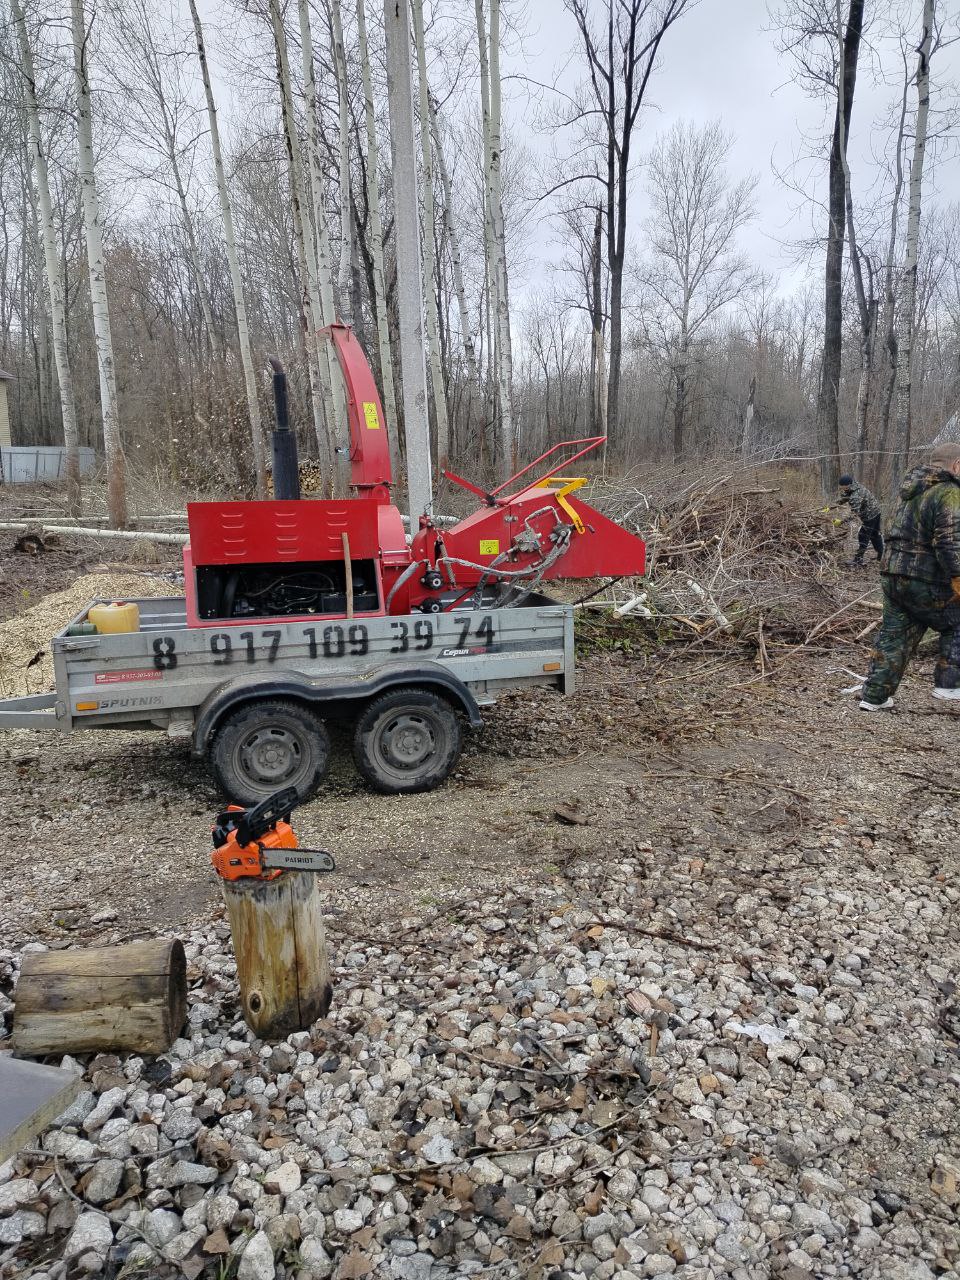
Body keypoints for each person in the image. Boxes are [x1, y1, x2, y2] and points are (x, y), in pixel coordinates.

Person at [858, 443, 960, 711]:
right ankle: (949, 685)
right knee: (956, 622)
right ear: (956, 465)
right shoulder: (949, 492)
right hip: (925, 578)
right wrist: (958, 576)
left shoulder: (908, 492)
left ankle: (874, 697)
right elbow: (949, 541)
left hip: (892, 574)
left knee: (895, 635)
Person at [837, 474, 884, 565]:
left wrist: (841, 522)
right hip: (876, 511)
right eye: (841, 487)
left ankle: (858, 559)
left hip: (870, 515)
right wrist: (830, 507)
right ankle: (881, 555)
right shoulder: (854, 486)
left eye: (844, 487)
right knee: (875, 534)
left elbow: (854, 514)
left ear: (848, 485)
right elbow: (844, 497)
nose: (843, 489)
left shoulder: (856, 495)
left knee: (863, 535)